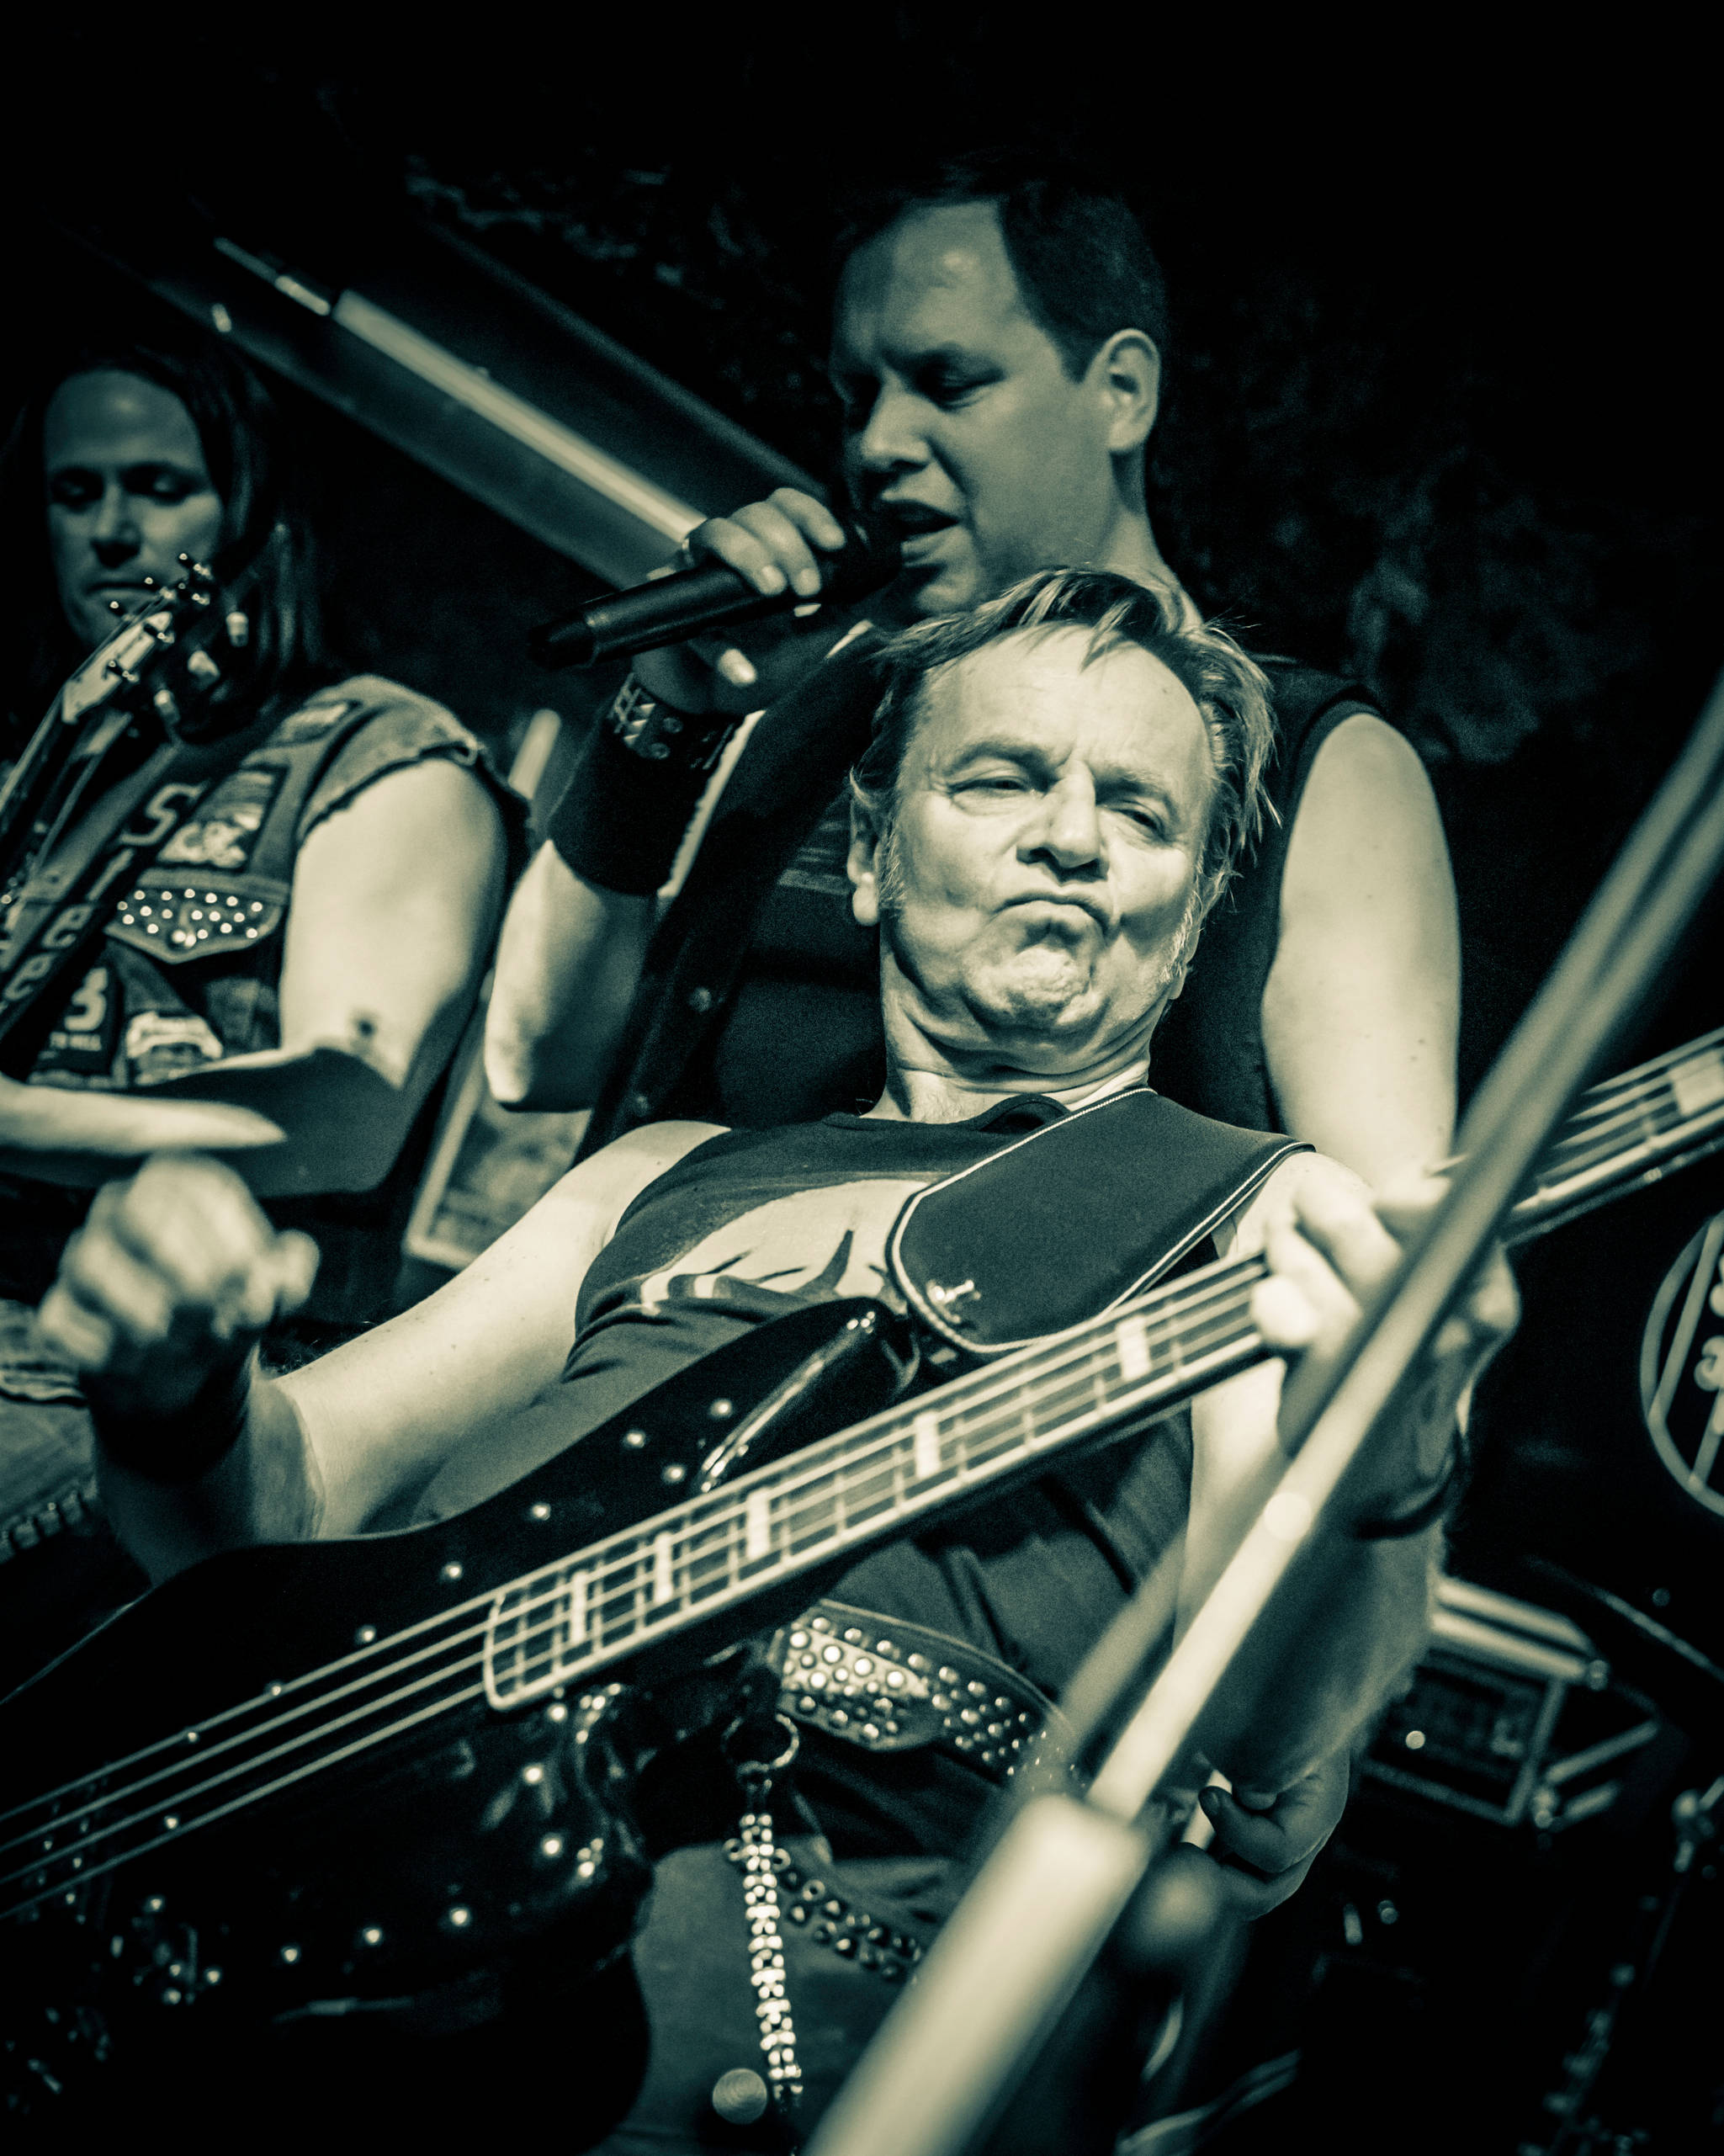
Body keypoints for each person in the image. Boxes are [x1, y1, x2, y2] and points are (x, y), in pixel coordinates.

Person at [36, 573, 1515, 2149]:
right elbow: (283, 1504)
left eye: (1139, 811)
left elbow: (1262, 1773)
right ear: (869, 857)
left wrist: (1393, 1469)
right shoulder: (659, 1173)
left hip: (770, 1991)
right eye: (1003, 778)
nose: (1071, 837)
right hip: (344, 1910)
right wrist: (177, 1385)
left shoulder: (1256, 1214)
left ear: (1195, 914)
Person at [485, 149, 1458, 1198]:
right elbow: (534, 1060)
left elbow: (1387, 1239)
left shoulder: (1323, 764)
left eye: (948, 383)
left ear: (1122, 393)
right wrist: (669, 712)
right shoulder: (815, 699)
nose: (879, 443)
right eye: (857, 396)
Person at [0, 336, 517, 1685]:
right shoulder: (47, 772)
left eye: (161, 484)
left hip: (135, 1394)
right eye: (74, 492)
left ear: (253, 515)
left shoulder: (380, 750)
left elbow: (345, 1109)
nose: (114, 530)